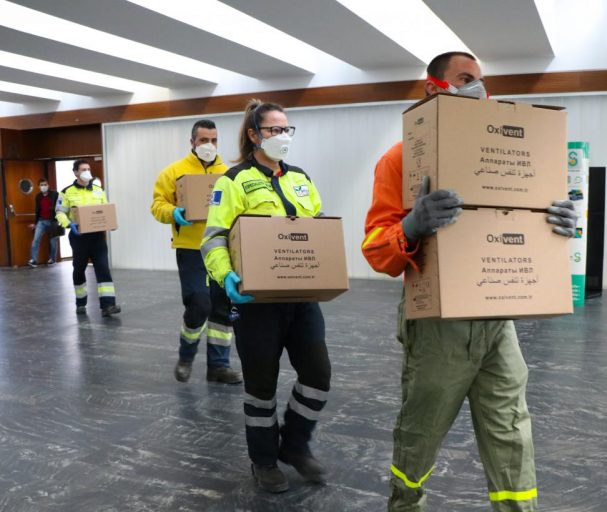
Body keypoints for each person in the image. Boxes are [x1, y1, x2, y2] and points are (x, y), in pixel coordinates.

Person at [361, 52, 578, 512]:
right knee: (422, 429)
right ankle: (405, 503)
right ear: (433, 87)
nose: (478, 89)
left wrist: (558, 223)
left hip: (498, 318)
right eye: (465, 79)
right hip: (439, 324)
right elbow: (377, 251)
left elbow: (525, 221)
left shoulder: (501, 157)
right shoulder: (400, 159)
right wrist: (412, 226)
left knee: (511, 427)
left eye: (481, 81)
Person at [202, 100, 330, 493]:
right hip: (256, 301)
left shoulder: (301, 178)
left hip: (302, 296)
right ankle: (263, 460)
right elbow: (213, 238)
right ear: (255, 135)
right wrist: (226, 277)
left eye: (287, 129)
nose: (283, 136)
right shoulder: (233, 180)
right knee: (261, 385)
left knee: (318, 375)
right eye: (274, 130)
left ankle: (294, 445)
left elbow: (317, 225)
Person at [150, 119, 242, 385]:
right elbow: (157, 205)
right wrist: (174, 213)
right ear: (192, 142)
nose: (209, 145)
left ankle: (219, 366)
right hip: (191, 249)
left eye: (213, 140)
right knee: (199, 304)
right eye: (203, 140)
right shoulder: (174, 172)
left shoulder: (229, 173)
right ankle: (186, 355)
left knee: (223, 309)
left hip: (223, 250)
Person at [55, 160, 122, 317]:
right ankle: (80, 302)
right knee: (79, 269)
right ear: (76, 172)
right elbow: (59, 212)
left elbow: (105, 210)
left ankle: (108, 305)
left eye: (89, 169)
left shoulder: (99, 190)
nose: (87, 172)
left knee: (103, 268)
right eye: (83, 169)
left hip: (97, 237)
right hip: (79, 237)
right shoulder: (66, 192)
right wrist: (68, 224)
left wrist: (111, 222)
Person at [28, 178, 59, 267]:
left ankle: (52, 259)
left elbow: (59, 205)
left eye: (45, 184)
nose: (43, 186)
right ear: (39, 186)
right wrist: (35, 223)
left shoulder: (54, 194)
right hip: (41, 221)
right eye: (41, 185)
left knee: (53, 241)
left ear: (48, 185)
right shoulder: (38, 196)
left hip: (53, 221)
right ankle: (34, 260)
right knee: (36, 240)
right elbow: (37, 210)